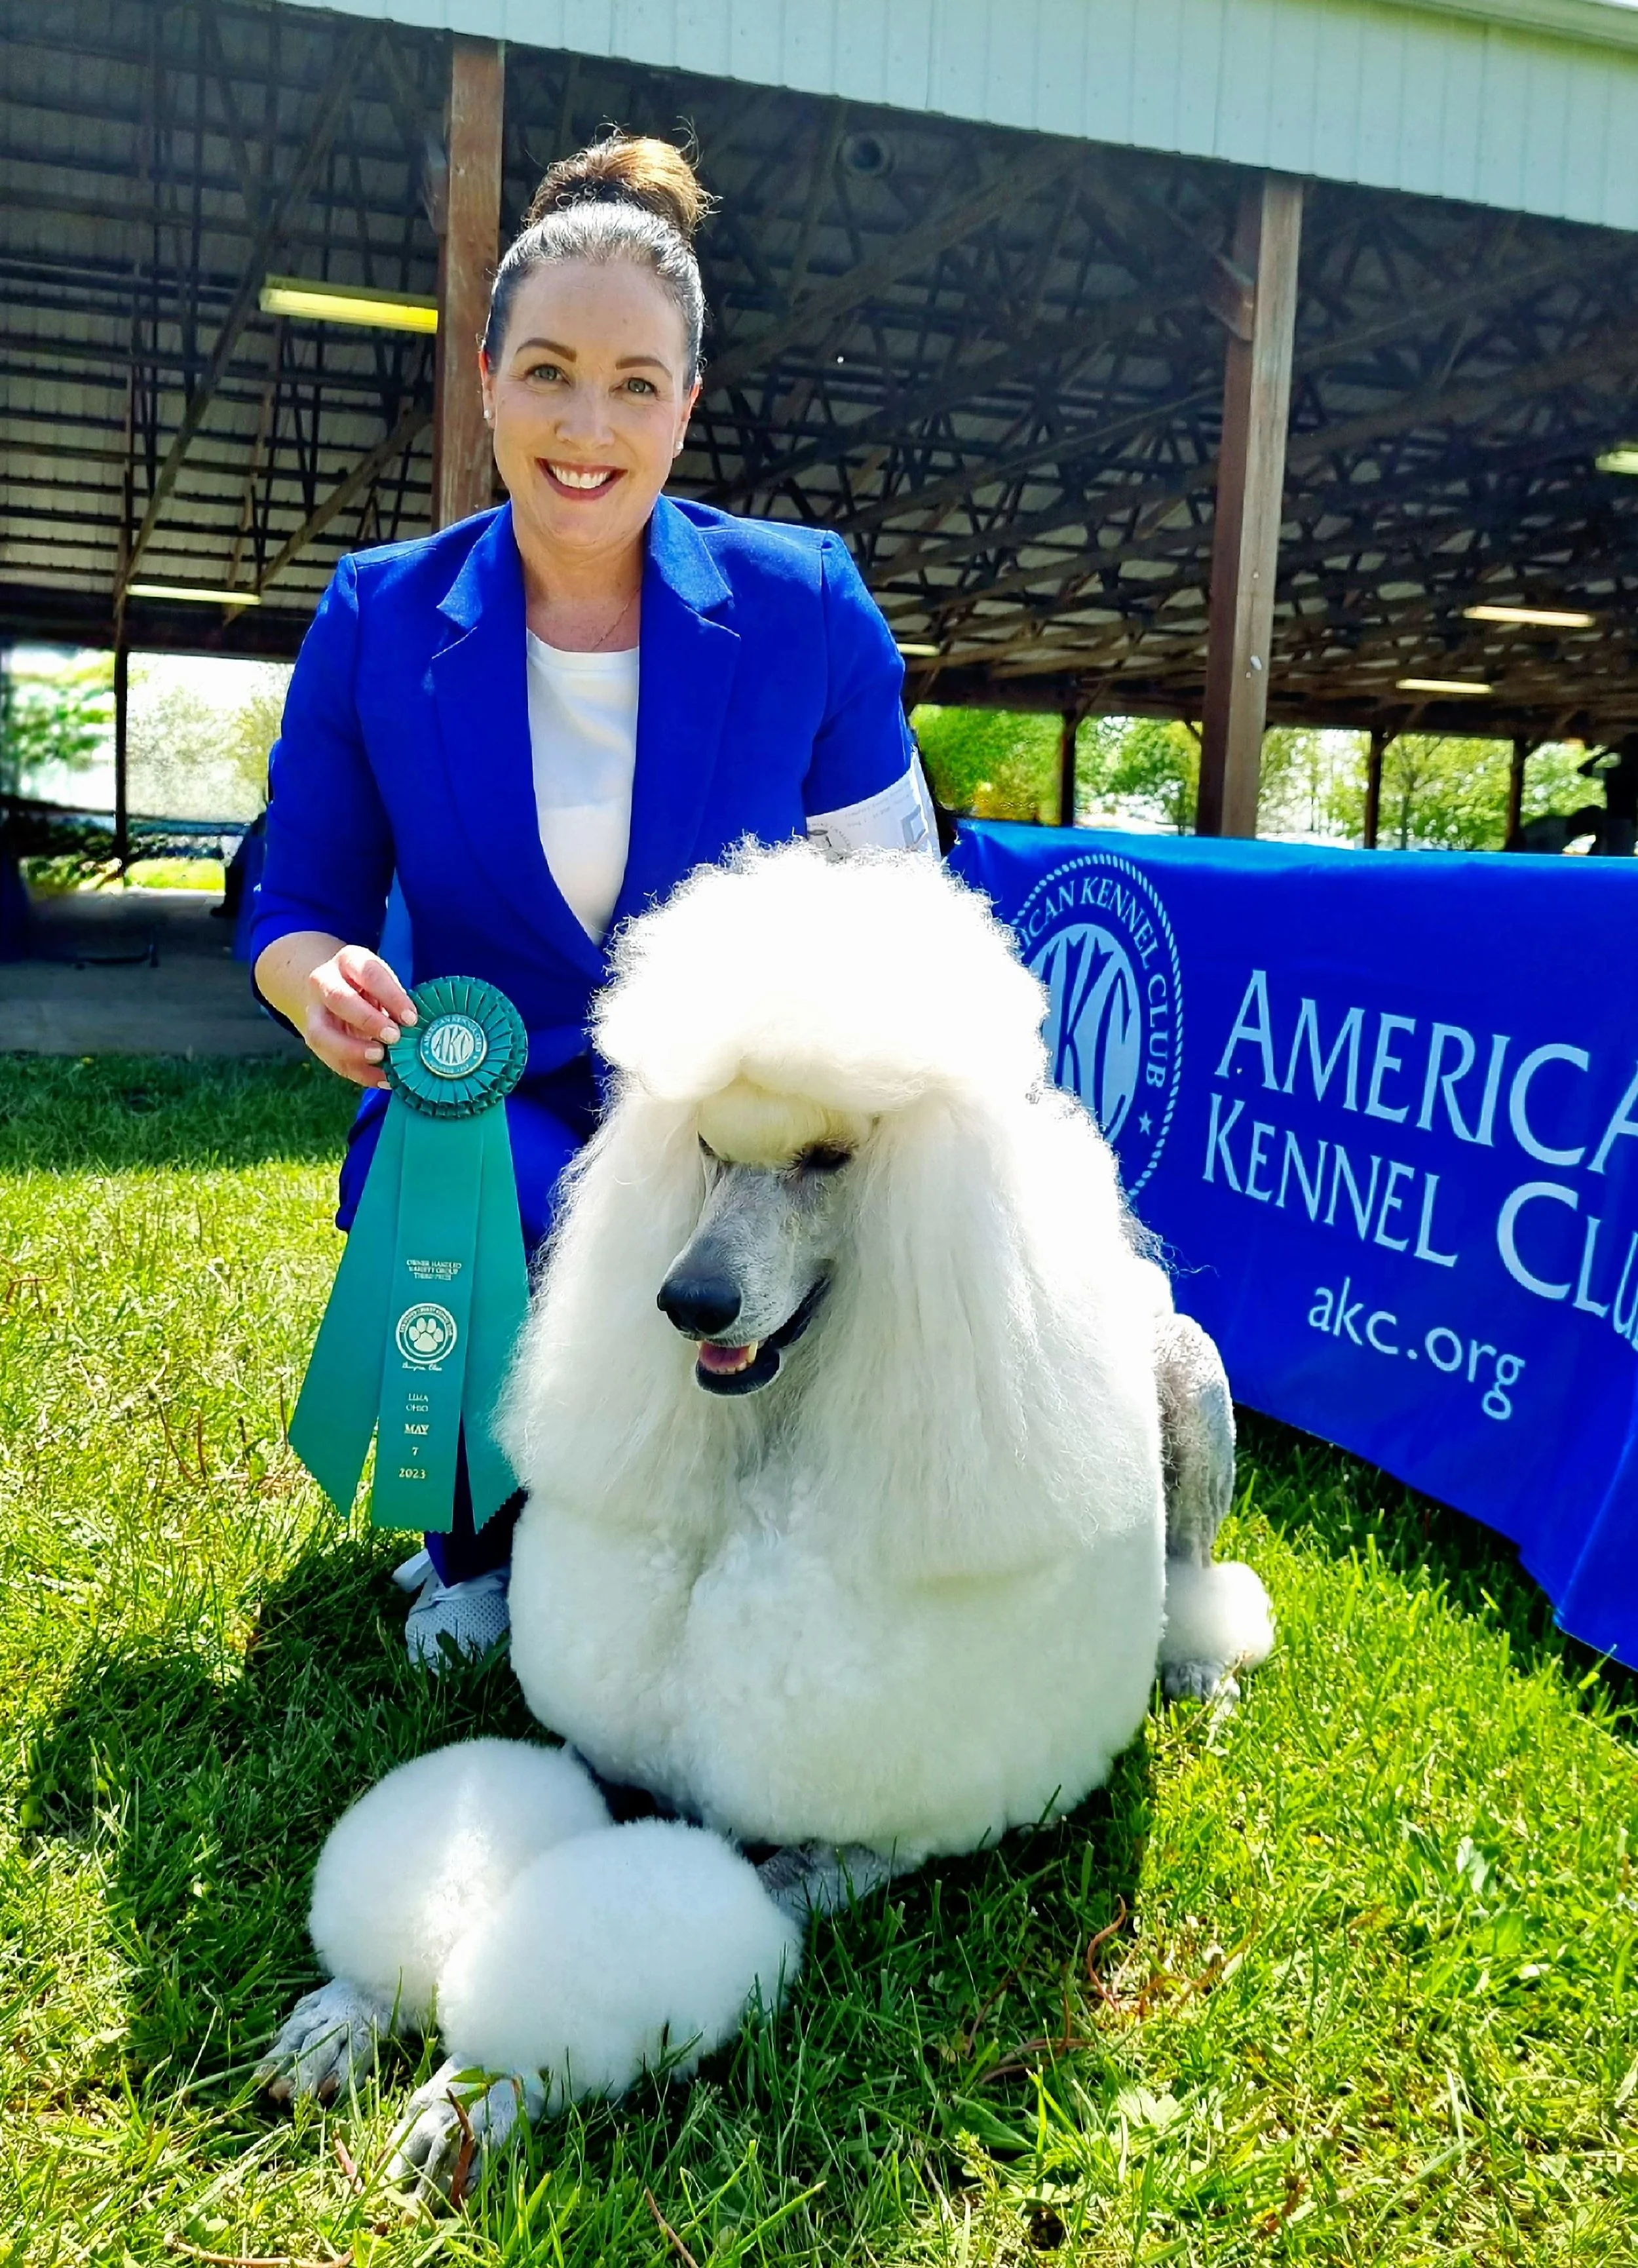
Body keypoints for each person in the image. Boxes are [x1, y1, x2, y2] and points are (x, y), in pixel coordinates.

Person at [251, 133, 936, 1666]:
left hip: (736, 1118)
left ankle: (761, 1516)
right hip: (496, 1094)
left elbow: (904, 907)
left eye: (636, 384)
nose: (586, 423)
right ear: (485, 376)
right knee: (470, 1164)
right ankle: (481, 1546)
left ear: (686, 408)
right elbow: (294, 894)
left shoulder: (803, 603)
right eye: (549, 371)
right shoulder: (375, 616)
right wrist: (319, 981)